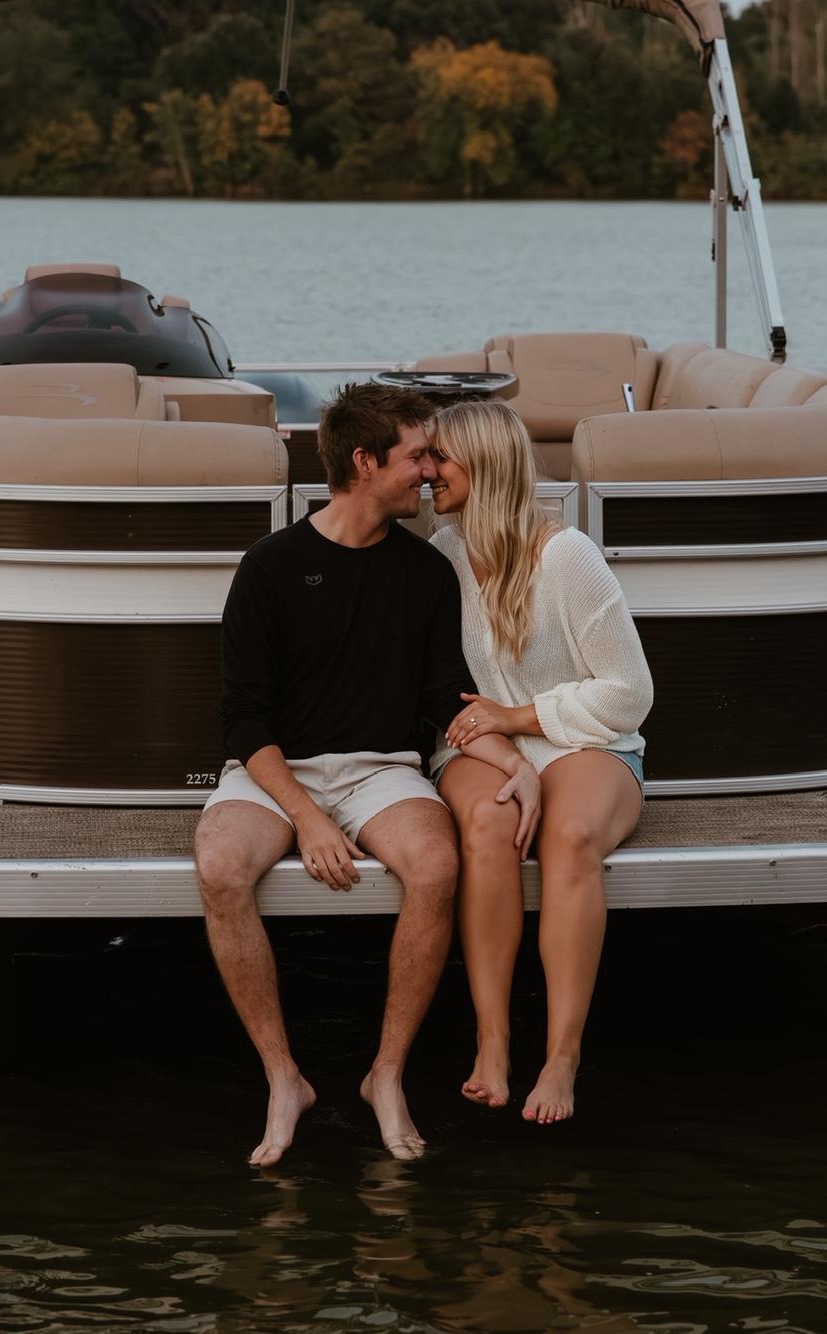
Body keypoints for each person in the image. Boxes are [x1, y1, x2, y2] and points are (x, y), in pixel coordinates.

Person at [195, 383, 541, 1167]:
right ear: (364, 462)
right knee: (219, 866)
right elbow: (243, 720)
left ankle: (386, 1074)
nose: (432, 471)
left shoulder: (425, 571)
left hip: (381, 772)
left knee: (436, 866)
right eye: (418, 456)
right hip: (275, 772)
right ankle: (284, 1077)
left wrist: (512, 762)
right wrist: (307, 817)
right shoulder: (271, 566)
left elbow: (444, 700)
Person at [427, 398, 653, 1126]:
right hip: (480, 743)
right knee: (489, 828)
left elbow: (630, 693)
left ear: (483, 463)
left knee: (571, 835)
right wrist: (498, 737)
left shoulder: (567, 556)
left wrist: (521, 716)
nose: (427, 472)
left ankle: (562, 1055)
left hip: (584, 739)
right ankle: (492, 1041)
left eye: (440, 458)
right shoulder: (442, 554)